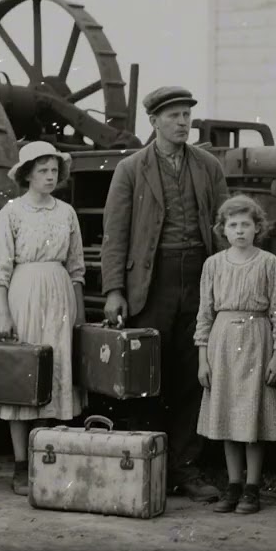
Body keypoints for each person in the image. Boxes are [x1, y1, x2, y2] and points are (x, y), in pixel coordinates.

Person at [101, 85, 229, 503]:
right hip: (150, 284)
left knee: (193, 374)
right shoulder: (132, 169)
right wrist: (115, 290)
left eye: (187, 115)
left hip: (199, 277)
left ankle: (186, 468)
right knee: (147, 375)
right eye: (173, 116)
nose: (183, 122)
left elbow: (225, 225)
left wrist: (224, 281)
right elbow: (115, 236)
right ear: (153, 122)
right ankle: (146, 462)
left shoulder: (208, 166)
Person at [0, 141, 87, 497]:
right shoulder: (11, 213)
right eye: (42, 170)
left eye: (54, 171)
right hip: (22, 294)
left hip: (58, 295)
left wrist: (78, 313)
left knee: (53, 375)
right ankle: (20, 465)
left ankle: (44, 458)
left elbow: (76, 266)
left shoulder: (67, 213)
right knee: (22, 377)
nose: (49, 176)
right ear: (27, 174)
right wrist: (4, 312)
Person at [195, 195, 276, 515]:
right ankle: (233, 486)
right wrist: (202, 358)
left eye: (246, 224)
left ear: (257, 228)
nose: (239, 231)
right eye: (233, 225)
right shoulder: (214, 264)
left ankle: (252, 488)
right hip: (221, 341)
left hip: (256, 341)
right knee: (227, 415)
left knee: (252, 416)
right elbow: (204, 314)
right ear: (223, 229)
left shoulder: (268, 262)